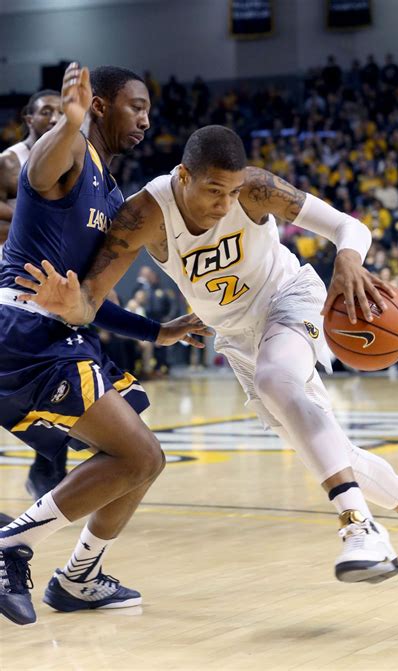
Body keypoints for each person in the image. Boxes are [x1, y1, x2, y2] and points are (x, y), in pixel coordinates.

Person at [17, 126, 398, 594]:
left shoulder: (255, 189)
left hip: (289, 298)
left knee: (280, 382)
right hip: (236, 336)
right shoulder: (144, 214)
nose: (224, 204)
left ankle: (359, 526)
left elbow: (348, 226)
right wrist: (69, 303)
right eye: (214, 191)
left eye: (231, 192)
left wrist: (349, 259)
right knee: (331, 453)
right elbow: (88, 303)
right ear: (182, 176)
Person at [0, 64, 211, 626]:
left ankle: (79, 578)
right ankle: (11, 544)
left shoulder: (114, 194)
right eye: (134, 106)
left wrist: (157, 331)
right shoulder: (69, 157)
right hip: (22, 333)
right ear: (99, 107)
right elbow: (38, 172)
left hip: (57, 336)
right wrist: (68, 124)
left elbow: (91, 297)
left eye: (147, 109)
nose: (144, 118)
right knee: (139, 455)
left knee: (139, 460)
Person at [0, 89, 72, 500]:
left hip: (52, 284)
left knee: (60, 374)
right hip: (10, 282)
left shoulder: (71, 164)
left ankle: (49, 462)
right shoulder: (10, 162)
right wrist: (33, 219)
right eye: (46, 111)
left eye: (61, 113)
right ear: (29, 117)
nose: (53, 117)